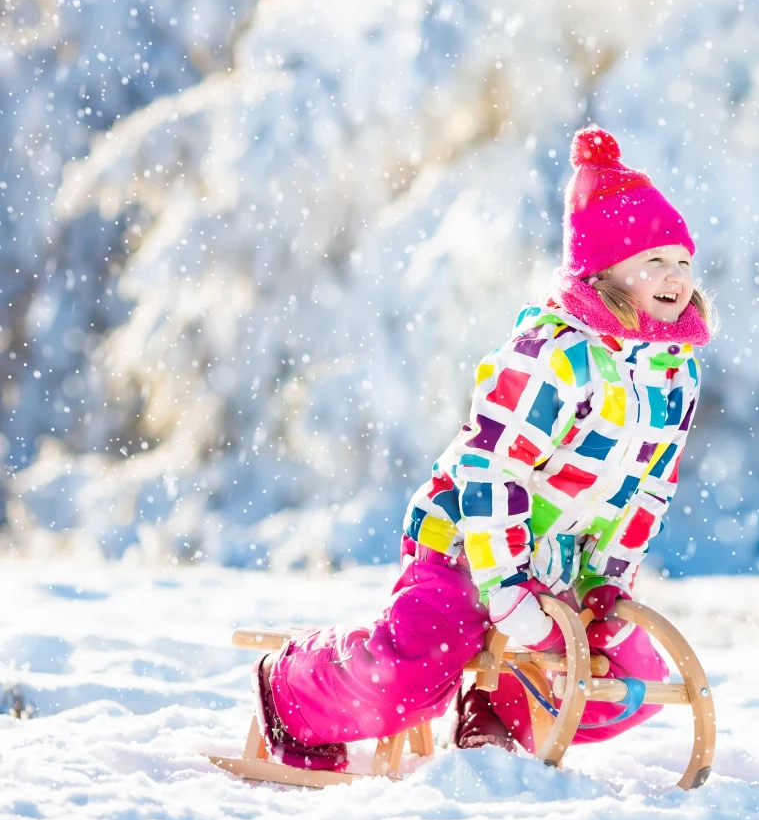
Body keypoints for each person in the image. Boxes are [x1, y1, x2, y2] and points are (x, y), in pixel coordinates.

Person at [251, 126, 714, 770]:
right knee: (416, 665)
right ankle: (292, 686)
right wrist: (504, 587)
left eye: (683, 261)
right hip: (469, 539)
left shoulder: (675, 371)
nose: (675, 277)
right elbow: (492, 468)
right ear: (605, 271)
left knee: (623, 681)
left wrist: (606, 582)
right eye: (654, 262)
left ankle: (495, 712)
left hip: (561, 560)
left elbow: (647, 488)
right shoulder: (555, 355)